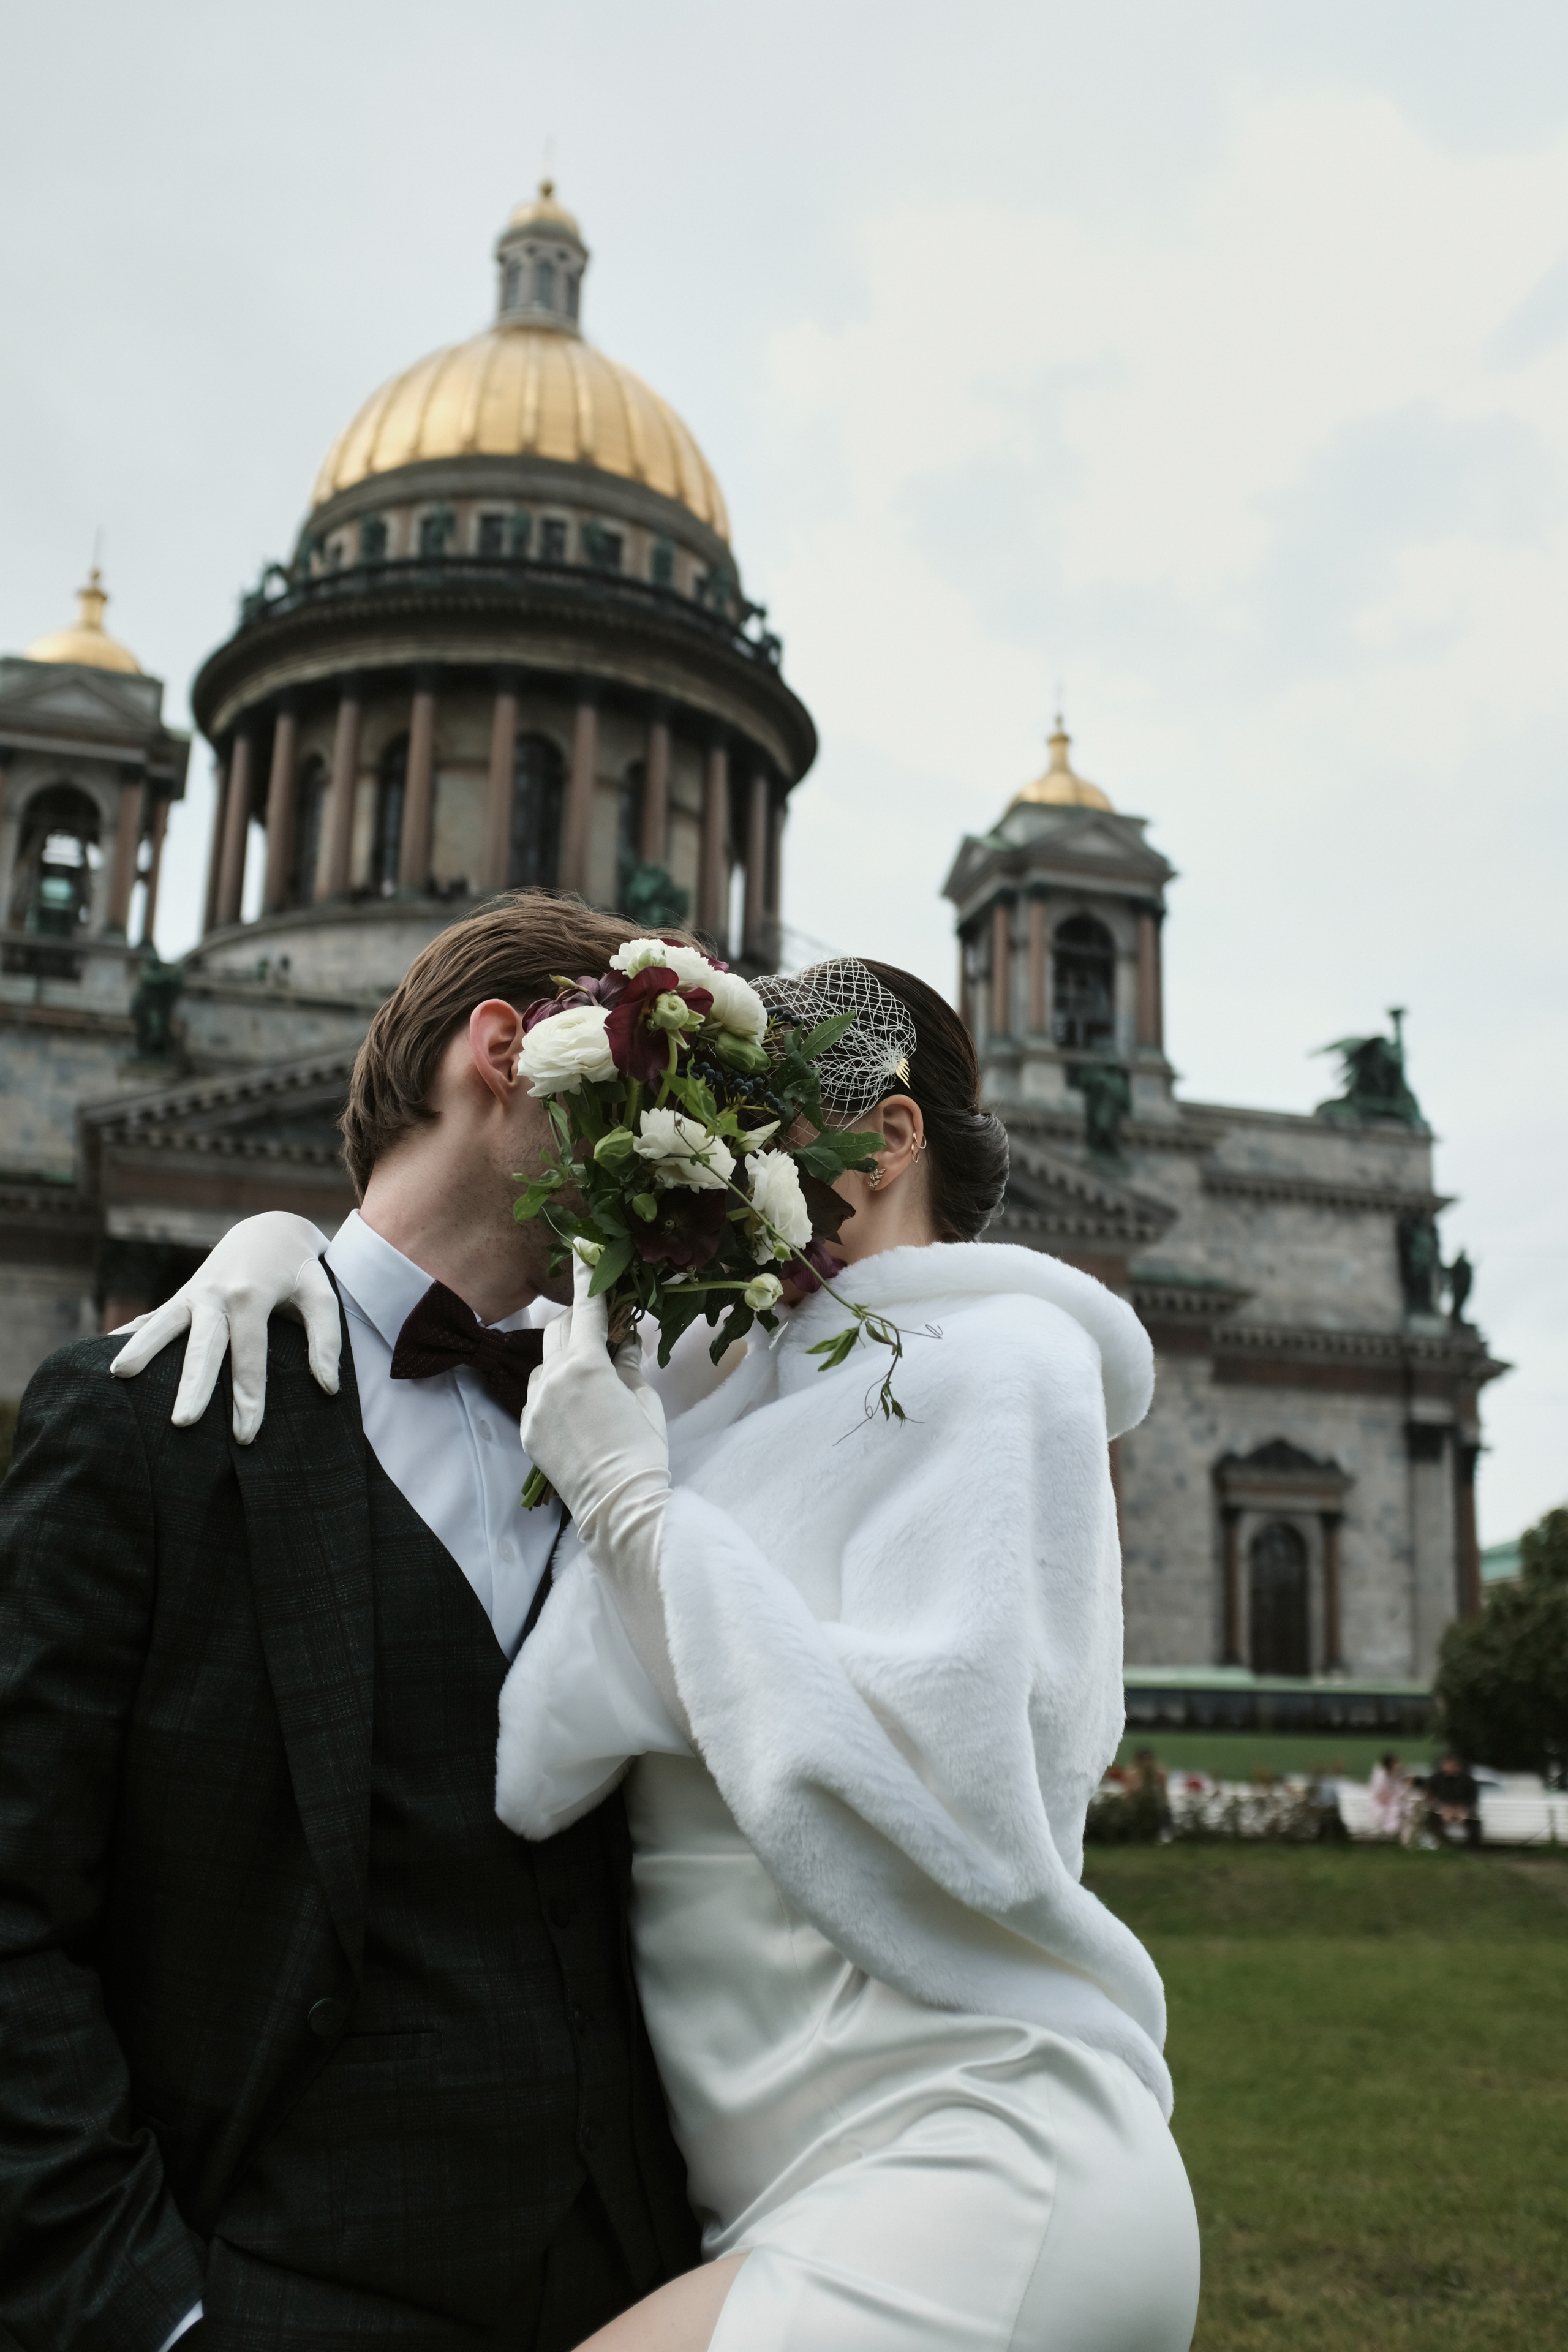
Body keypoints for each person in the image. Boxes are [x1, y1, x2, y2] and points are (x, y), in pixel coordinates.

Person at [108, 954, 1202, 2351]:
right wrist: (285, 1255)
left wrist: (634, 1512)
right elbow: (538, 1740)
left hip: (972, 2166)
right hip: (783, 2197)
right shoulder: (713, 1393)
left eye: (756, 1119)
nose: (712, 1158)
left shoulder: (1000, 1360)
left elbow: (952, 1789)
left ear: (883, 1138)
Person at [0, 896, 703, 2352]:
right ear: (503, 1051)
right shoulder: (140, 1425)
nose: (687, 1151)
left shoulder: (643, 1426)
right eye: (658, 1091)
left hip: (632, 2289)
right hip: (276, 2282)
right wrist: (149, 2313)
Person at [1423, 1751, 1483, 1849]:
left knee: (1475, 1822)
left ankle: (1471, 1848)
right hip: (1443, 1808)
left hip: (1461, 1808)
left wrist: (1464, 1810)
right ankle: (1446, 1845)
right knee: (1432, 1820)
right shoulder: (1436, 1778)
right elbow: (1429, 1795)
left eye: (1451, 1765)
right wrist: (1442, 1809)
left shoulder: (1467, 1780)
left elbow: (1472, 1799)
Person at [1369, 1752, 1404, 1838]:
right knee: (1393, 1810)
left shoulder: (1397, 1775)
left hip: (1392, 1803)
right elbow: (1377, 1793)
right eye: (1395, 1764)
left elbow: (1400, 1790)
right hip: (1381, 1805)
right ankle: (1390, 1832)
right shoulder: (1381, 1776)